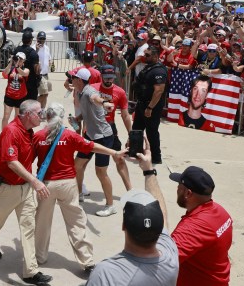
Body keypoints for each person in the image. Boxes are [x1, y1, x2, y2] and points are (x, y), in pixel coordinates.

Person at [33, 103, 128, 273]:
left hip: (45, 186)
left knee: (41, 223)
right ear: (62, 118)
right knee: (77, 223)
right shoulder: (69, 135)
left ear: (47, 116)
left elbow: (26, 158)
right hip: (68, 185)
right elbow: (92, 146)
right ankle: (87, 262)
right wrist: (114, 153)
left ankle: (39, 257)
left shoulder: (39, 136)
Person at [86, 141, 179, 286]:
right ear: (160, 229)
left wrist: (147, 172)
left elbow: (162, 217)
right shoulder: (170, 255)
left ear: (123, 226)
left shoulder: (106, 273)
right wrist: (149, 171)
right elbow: (163, 215)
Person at [0, 100, 52, 286]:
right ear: (27, 114)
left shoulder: (30, 132)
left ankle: (31, 272)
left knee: (28, 228)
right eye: (39, 112)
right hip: (7, 188)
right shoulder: (11, 131)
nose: (42, 115)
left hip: (25, 189)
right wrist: (35, 181)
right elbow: (11, 162)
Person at [169, 166, 233, 286]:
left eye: (179, 186)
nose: (177, 189)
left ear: (188, 193)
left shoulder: (194, 227)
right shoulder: (221, 212)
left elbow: (161, 263)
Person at [73, 68, 121, 217]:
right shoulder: (80, 92)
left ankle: (110, 205)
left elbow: (96, 99)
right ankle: (79, 194)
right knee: (77, 165)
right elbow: (87, 111)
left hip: (103, 137)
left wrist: (105, 103)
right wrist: (78, 119)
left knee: (101, 172)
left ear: (80, 80)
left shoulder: (88, 91)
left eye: (73, 78)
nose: (71, 79)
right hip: (90, 135)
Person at [91, 65, 133, 191]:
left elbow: (125, 116)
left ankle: (130, 191)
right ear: (101, 76)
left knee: (119, 159)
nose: (109, 80)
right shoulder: (93, 89)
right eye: (106, 77)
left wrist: (131, 135)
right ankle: (79, 190)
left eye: (111, 77)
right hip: (93, 128)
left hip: (109, 129)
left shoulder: (120, 92)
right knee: (80, 162)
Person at [132, 46, 167, 164]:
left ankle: (156, 158)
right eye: (144, 54)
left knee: (152, 132)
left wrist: (150, 107)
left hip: (151, 106)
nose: (144, 57)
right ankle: (135, 151)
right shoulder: (149, 67)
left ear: (155, 56)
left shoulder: (159, 71)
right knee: (137, 128)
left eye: (147, 55)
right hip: (142, 103)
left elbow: (159, 91)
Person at [1, 51, 29, 131]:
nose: (19, 61)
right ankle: (4, 133)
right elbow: (4, 74)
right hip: (9, 96)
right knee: (6, 116)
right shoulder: (11, 69)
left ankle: (14, 133)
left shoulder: (26, 69)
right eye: (18, 59)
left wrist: (17, 67)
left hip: (20, 97)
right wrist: (10, 63)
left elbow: (24, 74)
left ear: (24, 61)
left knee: (17, 118)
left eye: (21, 60)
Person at [13, 31, 40, 101]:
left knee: (20, 105)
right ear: (31, 41)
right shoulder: (33, 53)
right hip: (30, 83)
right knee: (31, 104)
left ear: (22, 40)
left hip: (18, 81)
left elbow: (13, 64)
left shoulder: (16, 50)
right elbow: (37, 70)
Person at [35, 31, 52, 109]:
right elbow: (32, 58)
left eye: (43, 39)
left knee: (46, 94)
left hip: (46, 74)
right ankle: (32, 106)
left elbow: (49, 58)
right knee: (44, 94)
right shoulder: (34, 48)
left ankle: (42, 110)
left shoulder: (47, 48)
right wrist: (36, 50)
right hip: (39, 74)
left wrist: (50, 63)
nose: (42, 40)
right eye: (40, 39)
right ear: (37, 39)